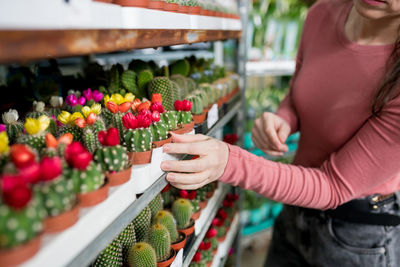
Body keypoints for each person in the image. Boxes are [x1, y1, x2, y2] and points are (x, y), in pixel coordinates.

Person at [161, 0, 400, 265]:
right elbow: (300, 91)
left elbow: (332, 186)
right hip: (295, 211)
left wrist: (230, 162)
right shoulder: (322, 14)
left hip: (358, 236)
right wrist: (284, 118)